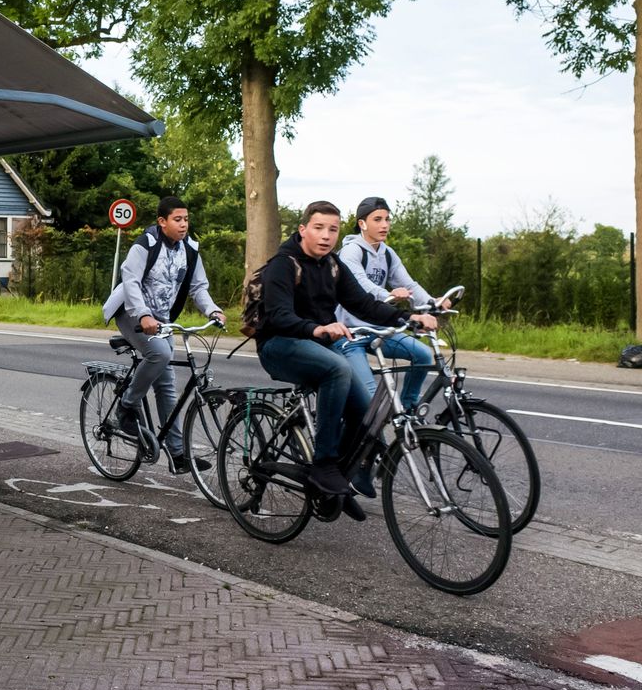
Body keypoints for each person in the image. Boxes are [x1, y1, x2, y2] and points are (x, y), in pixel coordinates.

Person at [251, 201, 438, 512]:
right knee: (338, 368)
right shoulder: (284, 264)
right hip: (278, 345)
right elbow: (279, 315)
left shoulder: (333, 265)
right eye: (319, 228)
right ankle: (324, 466)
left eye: (333, 229)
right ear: (303, 230)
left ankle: (339, 484)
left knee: (365, 413)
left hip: (315, 345)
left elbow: (364, 304)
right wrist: (317, 329)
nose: (326, 236)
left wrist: (407, 320)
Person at [101, 196, 227, 474]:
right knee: (160, 353)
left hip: (163, 321)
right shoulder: (145, 245)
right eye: (177, 220)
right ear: (162, 221)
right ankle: (127, 405)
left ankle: (178, 454)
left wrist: (212, 311)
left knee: (167, 384)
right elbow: (130, 280)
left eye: (186, 219)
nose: (183, 225)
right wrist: (143, 314)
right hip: (131, 313)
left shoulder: (190, 250)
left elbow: (198, 288)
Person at [335, 196, 447, 413]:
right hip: (350, 333)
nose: (385, 225)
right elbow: (361, 287)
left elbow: (408, 283)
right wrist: (388, 294)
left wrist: (434, 302)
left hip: (379, 328)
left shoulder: (386, 253)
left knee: (422, 355)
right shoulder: (351, 251)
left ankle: (408, 411)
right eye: (377, 219)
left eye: (387, 219)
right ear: (362, 224)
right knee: (368, 398)